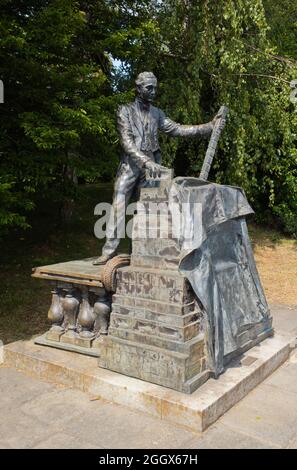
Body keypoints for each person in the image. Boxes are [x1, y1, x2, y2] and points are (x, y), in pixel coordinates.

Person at [93, 71, 222, 265]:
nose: (153, 92)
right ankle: (109, 250)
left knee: (148, 211)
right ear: (138, 89)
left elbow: (177, 129)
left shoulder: (157, 113)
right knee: (119, 204)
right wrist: (146, 162)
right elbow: (127, 143)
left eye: (155, 88)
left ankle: (138, 251)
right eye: (149, 88)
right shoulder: (124, 111)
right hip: (131, 166)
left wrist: (209, 127)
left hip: (151, 168)